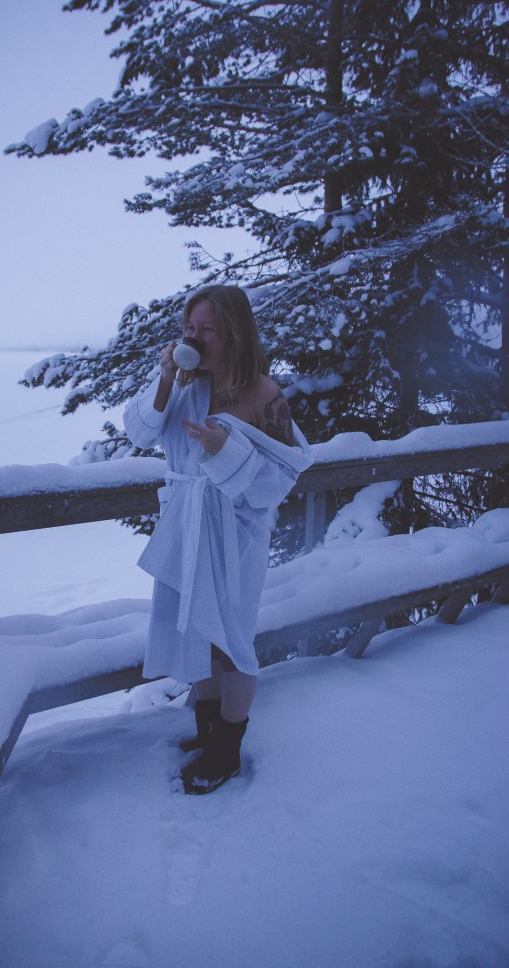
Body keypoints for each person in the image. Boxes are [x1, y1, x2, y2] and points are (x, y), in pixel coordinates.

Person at [123, 285, 312, 794]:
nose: (195, 337)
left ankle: (227, 747)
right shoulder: (185, 385)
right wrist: (165, 379)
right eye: (189, 328)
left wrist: (225, 449)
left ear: (234, 333)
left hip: (236, 533)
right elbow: (140, 433)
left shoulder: (263, 394)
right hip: (186, 523)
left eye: (207, 329)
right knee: (197, 629)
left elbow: (278, 482)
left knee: (231, 640)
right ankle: (207, 730)